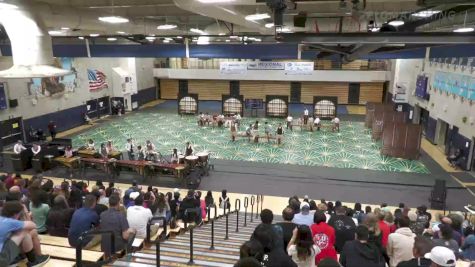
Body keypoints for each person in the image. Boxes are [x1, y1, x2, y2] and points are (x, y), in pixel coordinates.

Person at [0, 201, 50, 266]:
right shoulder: (10, 222)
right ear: (16, 214)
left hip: (4, 253)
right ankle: (34, 261)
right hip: (2, 260)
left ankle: (19, 257)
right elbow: (33, 225)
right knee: (24, 231)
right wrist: (26, 212)